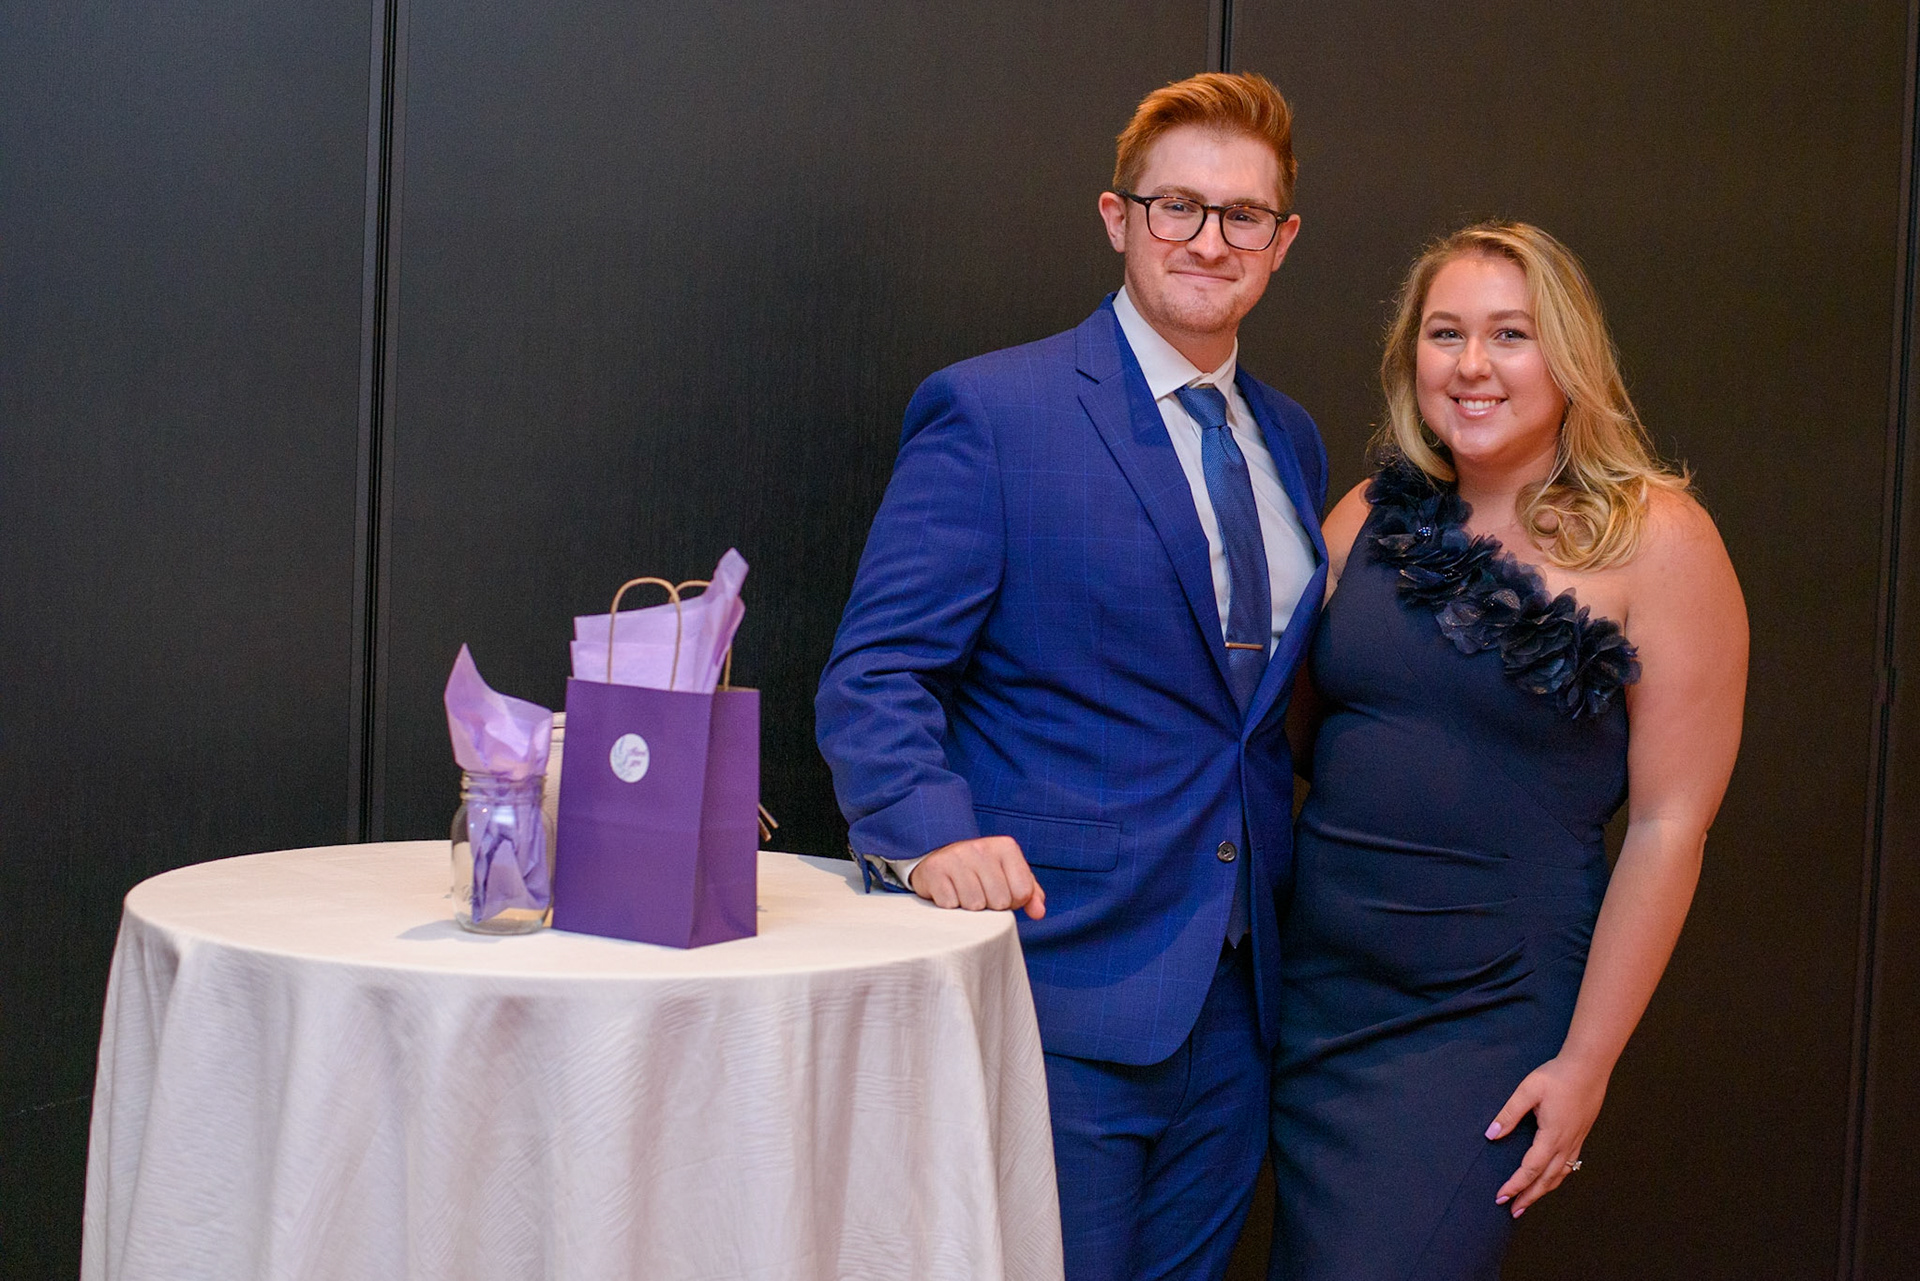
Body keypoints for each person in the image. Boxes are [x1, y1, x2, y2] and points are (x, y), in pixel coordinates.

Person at [816, 72, 1328, 1279]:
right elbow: (878, 669)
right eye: (1177, 207)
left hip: (1243, 999)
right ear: (1117, 218)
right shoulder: (997, 412)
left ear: (1283, 241)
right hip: (1061, 983)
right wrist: (928, 832)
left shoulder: (1292, 440)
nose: (1209, 240)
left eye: (1243, 215)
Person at [1268, 221, 1748, 1280]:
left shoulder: (1662, 541)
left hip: (1481, 1019)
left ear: (1569, 357)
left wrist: (1588, 1063)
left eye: (1510, 335)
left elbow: (1670, 826)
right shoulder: (1365, 518)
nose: (1472, 365)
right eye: (1446, 333)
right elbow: (1296, 740)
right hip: (1317, 997)